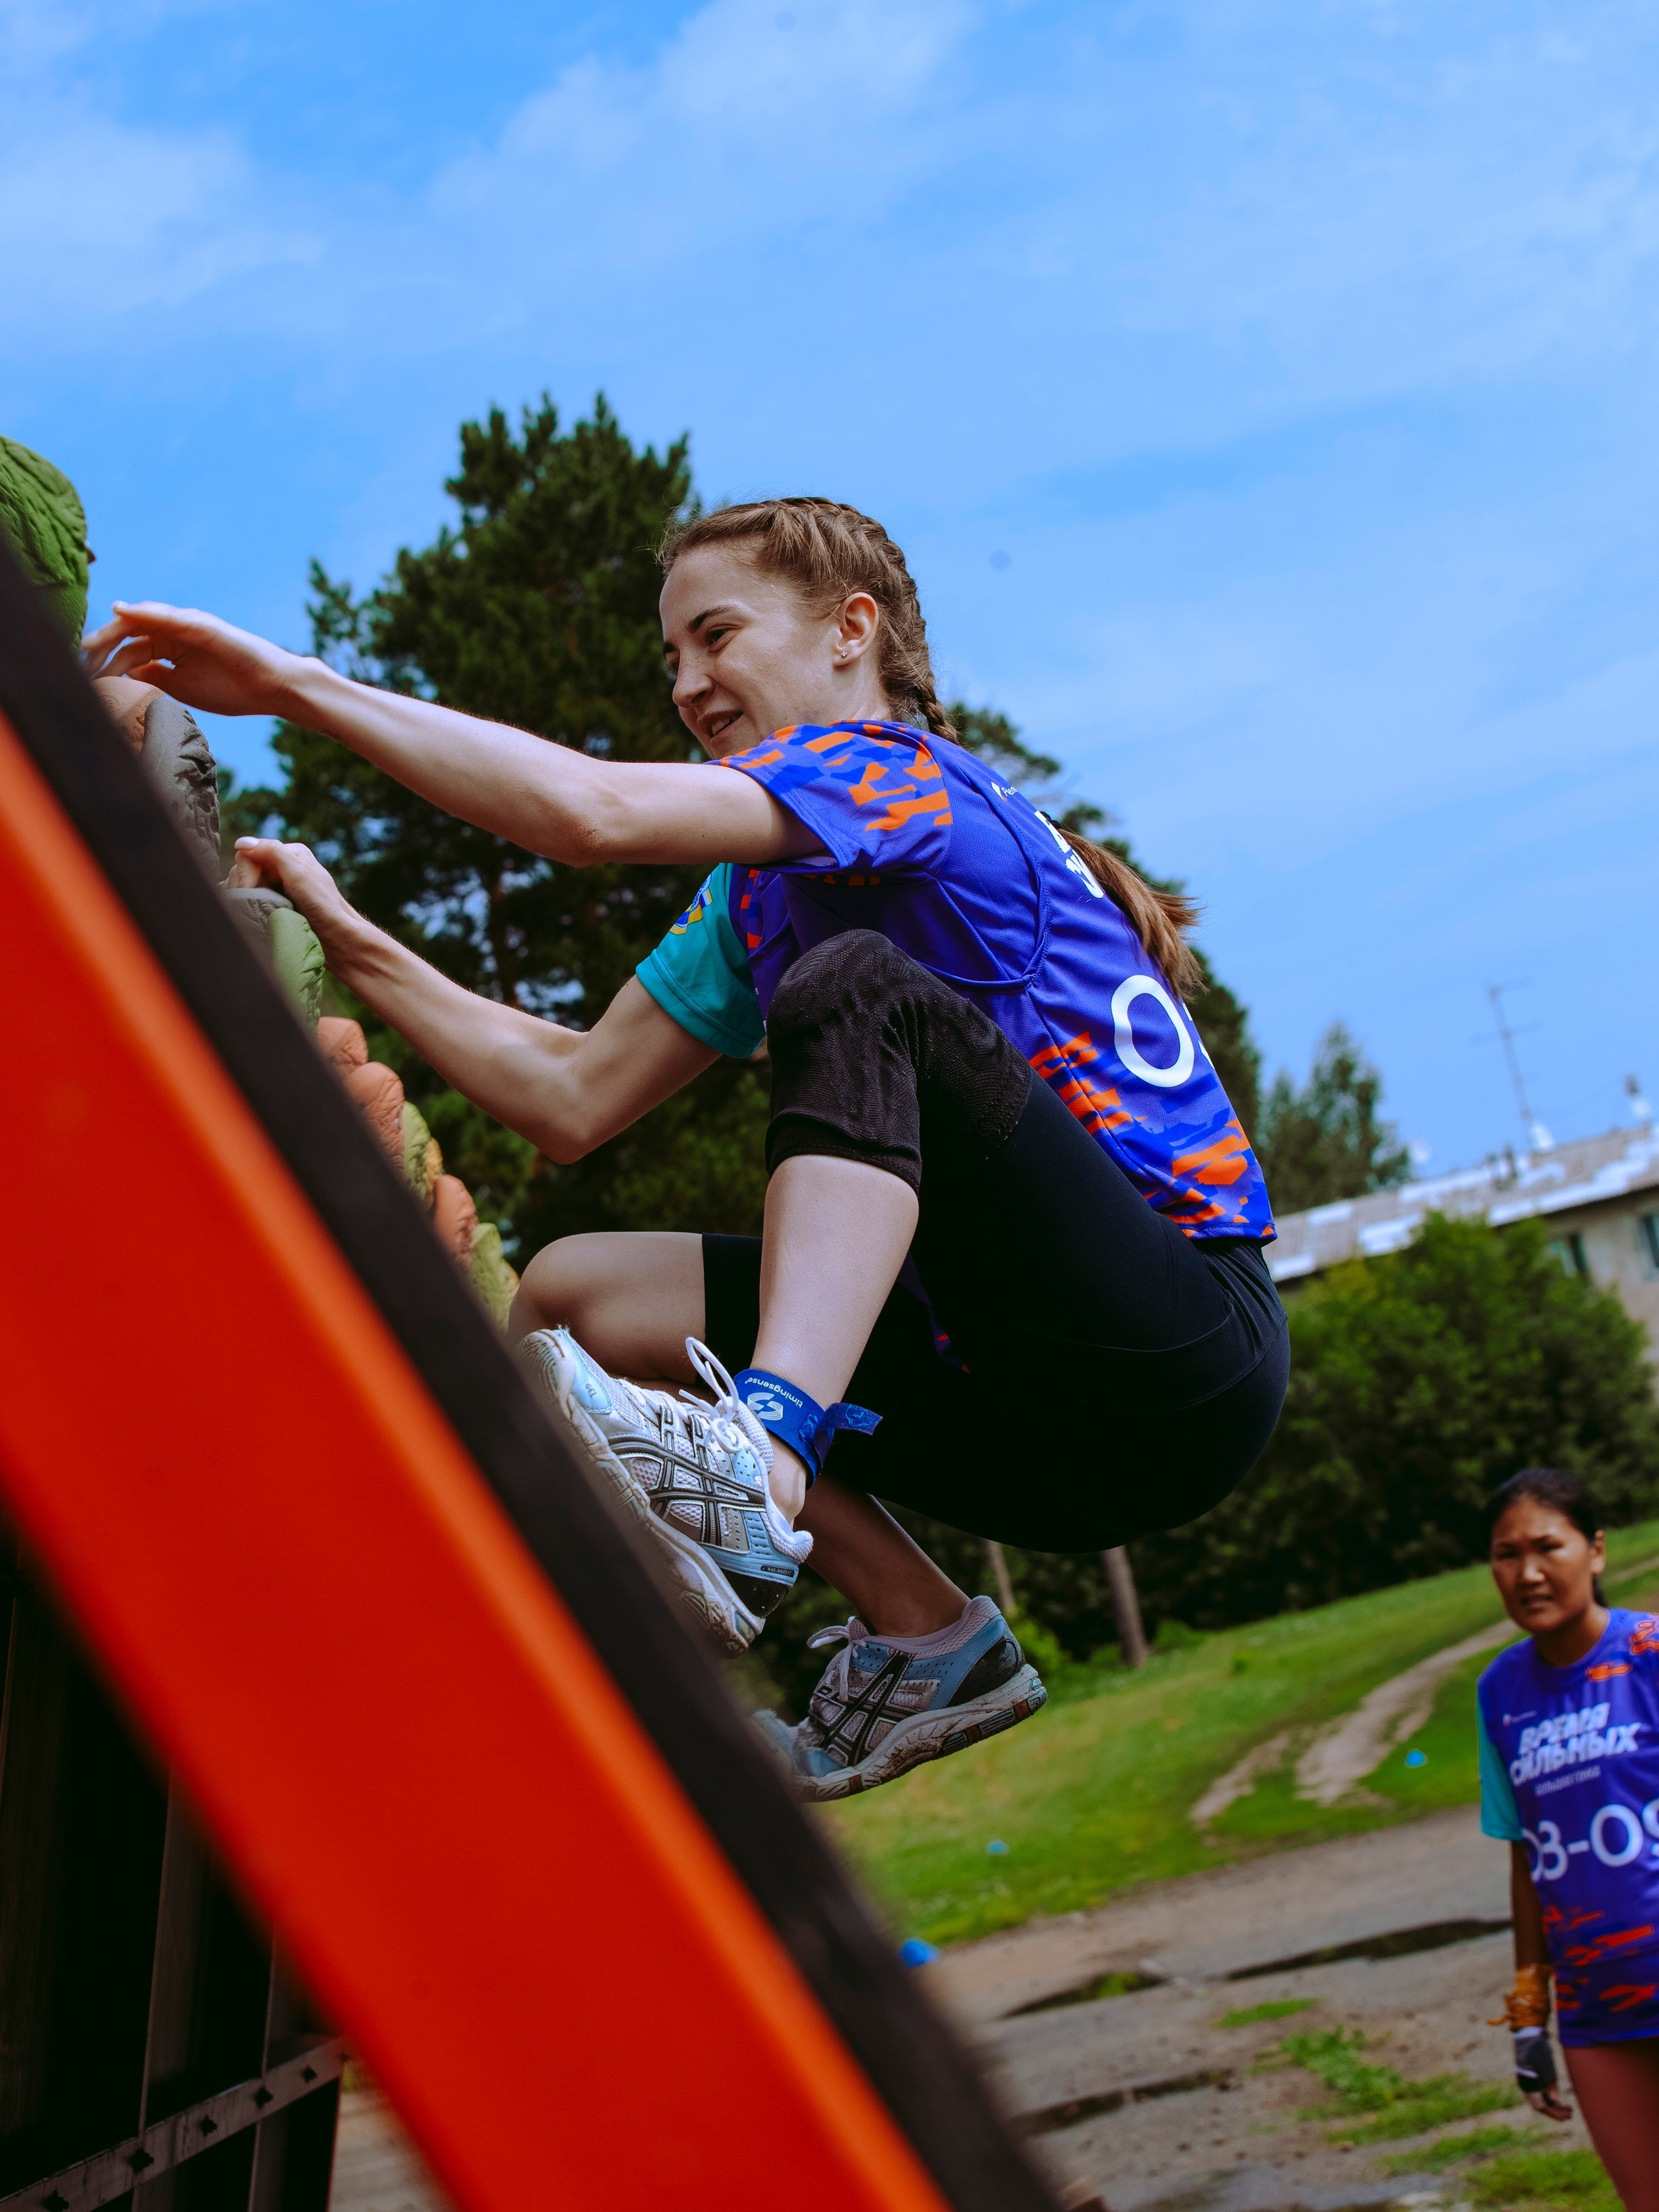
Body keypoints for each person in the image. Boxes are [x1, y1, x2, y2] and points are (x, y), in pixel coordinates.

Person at [81, 497, 1289, 1799]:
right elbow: (568, 1093)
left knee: (854, 988)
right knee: (574, 1295)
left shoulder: (901, 773)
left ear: (850, 631)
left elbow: (588, 813)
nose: (688, 683)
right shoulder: (759, 889)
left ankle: (758, 1454)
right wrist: (343, 932)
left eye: (714, 635)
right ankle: (928, 1632)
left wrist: (293, 685)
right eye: (671, 660)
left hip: (1174, 1361)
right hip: (1021, 1415)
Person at [1478, 1468, 1659, 2211]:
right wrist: (1530, 2013)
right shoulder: (1499, 1691)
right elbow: (1525, 1853)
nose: (1527, 1572)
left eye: (1547, 1546)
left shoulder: (1649, 1650)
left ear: (1595, 1550)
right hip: (1597, 2013)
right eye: (1504, 1554)